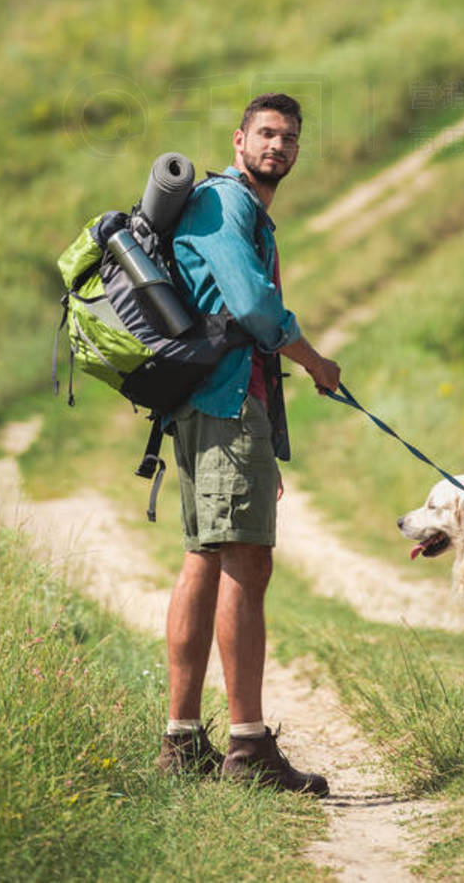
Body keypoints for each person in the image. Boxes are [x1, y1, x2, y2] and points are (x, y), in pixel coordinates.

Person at [157, 93, 341, 794]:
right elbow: (256, 308)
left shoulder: (232, 207)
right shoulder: (227, 205)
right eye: (266, 134)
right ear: (238, 139)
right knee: (244, 562)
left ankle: (182, 743)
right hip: (227, 402)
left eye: (290, 138)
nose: (279, 147)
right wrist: (315, 360)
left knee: (207, 557)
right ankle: (247, 748)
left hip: (218, 403)